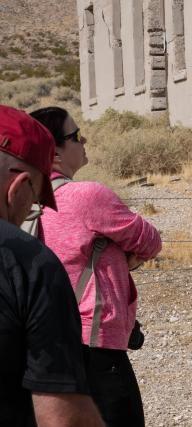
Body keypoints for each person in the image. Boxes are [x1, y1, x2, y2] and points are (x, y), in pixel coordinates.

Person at [29, 106, 162, 427]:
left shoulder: (25, 201)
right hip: (94, 342)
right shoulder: (88, 196)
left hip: (42, 343)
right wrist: (122, 255)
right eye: (75, 135)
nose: (84, 139)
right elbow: (150, 241)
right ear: (55, 153)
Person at [0, 105, 105, 426]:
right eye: (34, 198)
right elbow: (64, 418)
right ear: (18, 187)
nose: (31, 209)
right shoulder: (28, 264)